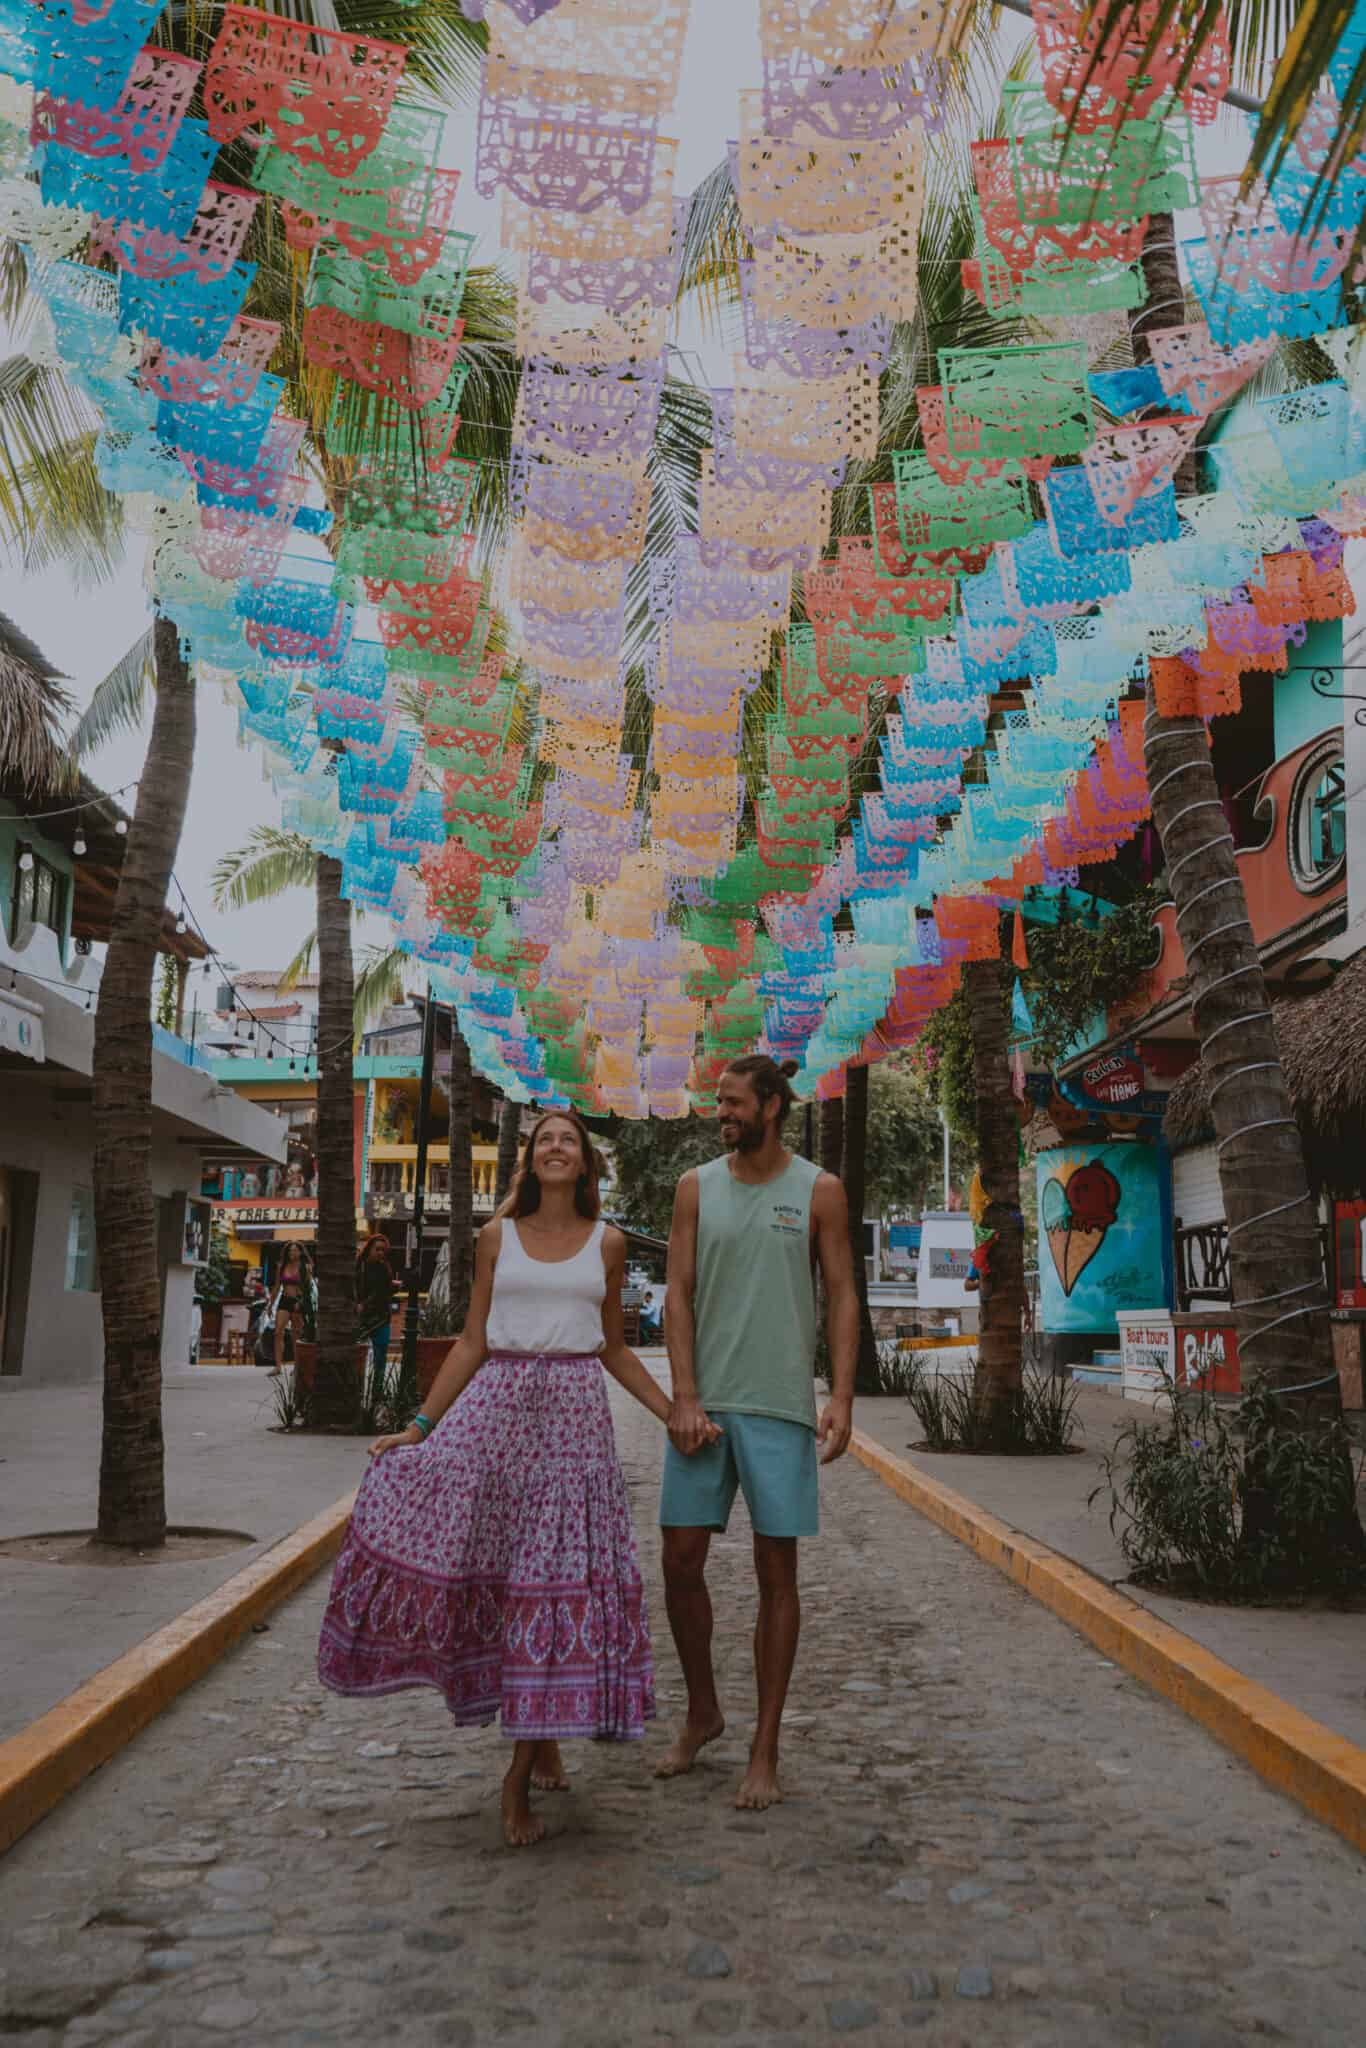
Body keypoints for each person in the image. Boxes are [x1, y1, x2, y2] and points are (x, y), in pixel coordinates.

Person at [317, 1110, 719, 1848]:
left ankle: (516, 1778)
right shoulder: (497, 1239)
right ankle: (546, 1738)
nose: (556, 1148)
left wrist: (673, 1412)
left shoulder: (609, 1243)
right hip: (496, 1418)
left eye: (569, 1140)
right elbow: (472, 1340)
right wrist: (420, 1427)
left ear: (587, 1164)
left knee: (557, 1586)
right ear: (530, 1162)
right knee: (507, 1581)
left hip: (573, 1431)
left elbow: (614, 1349)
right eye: (545, 1142)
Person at [655, 1053, 859, 1812]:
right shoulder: (694, 1189)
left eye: (735, 1102)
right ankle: (702, 1709)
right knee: (679, 1561)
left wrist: (839, 1395)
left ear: (772, 1106)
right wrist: (683, 1393)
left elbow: (841, 1295)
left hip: (779, 1406)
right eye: (720, 1102)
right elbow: (676, 1293)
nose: (723, 1113)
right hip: (701, 1409)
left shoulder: (819, 1191)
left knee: (779, 1575)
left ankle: (764, 1745)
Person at [354, 1234, 397, 1400]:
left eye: (383, 1250)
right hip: (361, 1317)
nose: (380, 1253)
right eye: (377, 1249)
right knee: (357, 1355)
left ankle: (377, 1392)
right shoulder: (359, 1266)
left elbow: (382, 1291)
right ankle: (356, 1390)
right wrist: (358, 1304)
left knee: (380, 1356)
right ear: (369, 1249)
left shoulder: (384, 1268)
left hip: (381, 1316)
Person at [271, 1242, 311, 1376]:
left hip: (298, 1301)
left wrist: (301, 1302)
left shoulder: (306, 1267)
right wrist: (270, 1305)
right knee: (277, 1332)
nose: (292, 1254)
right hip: (284, 1300)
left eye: (295, 1251)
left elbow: (308, 1288)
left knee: (296, 1335)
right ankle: (277, 1367)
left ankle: (297, 1366)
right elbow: (277, 1286)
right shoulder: (282, 1266)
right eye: (290, 1251)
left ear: (300, 1252)